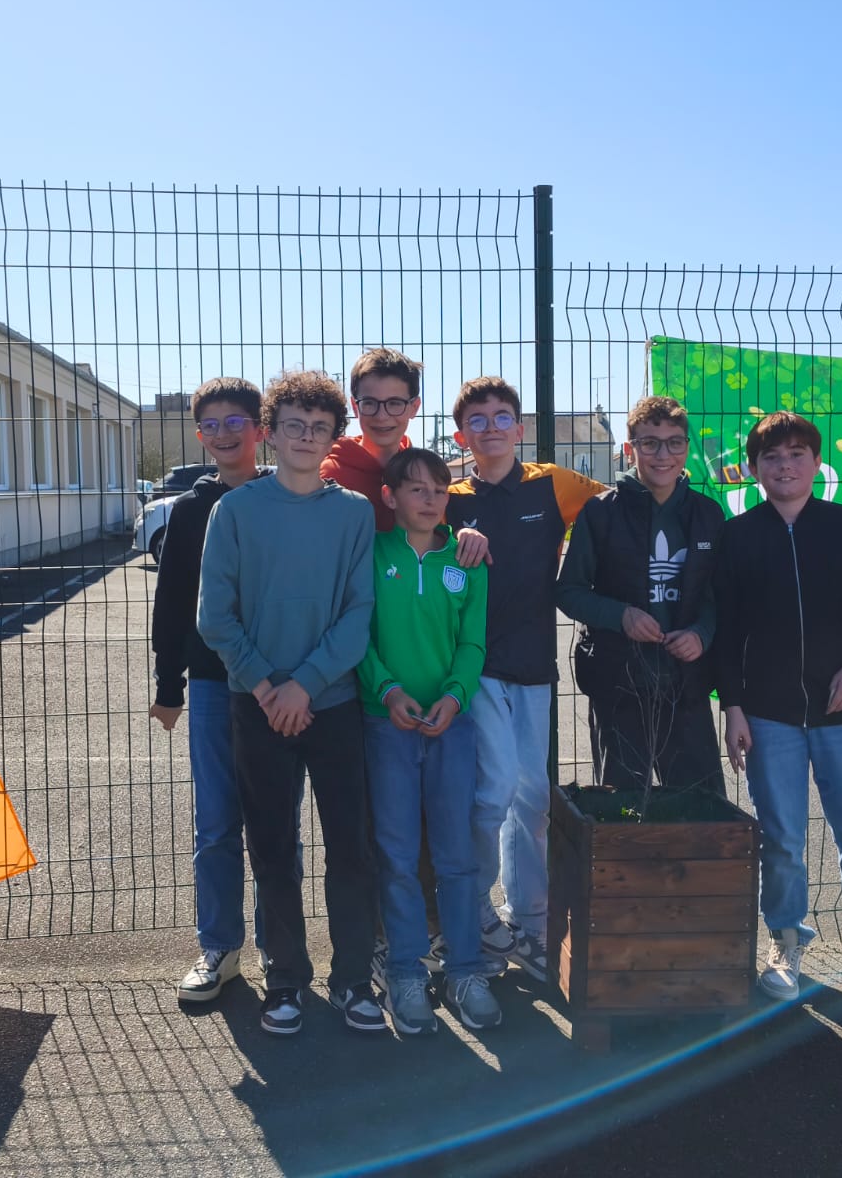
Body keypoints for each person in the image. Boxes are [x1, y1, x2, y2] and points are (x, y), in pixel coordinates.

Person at [714, 411, 842, 1007]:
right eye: (772, 457)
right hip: (768, 715)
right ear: (754, 468)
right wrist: (732, 706)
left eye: (796, 454)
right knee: (782, 840)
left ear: (816, 462)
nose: (785, 466)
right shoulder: (738, 536)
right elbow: (724, 629)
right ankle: (786, 944)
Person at [197, 369, 384, 1036]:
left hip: (332, 705)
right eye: (294, 426)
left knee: (350, 847)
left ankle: (353, 979)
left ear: (335, 438)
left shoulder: (354, 513)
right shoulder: (234, 512)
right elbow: (215, 616)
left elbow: (359, 614)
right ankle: (285, 981)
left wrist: (305, 684)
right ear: (271, 433)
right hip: (256, 704)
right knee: (273, 848)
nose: (306, 436)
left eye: (320, 427)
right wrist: (267, 685)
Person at [446, 377, 605, 980]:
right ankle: (474, 916)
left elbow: (620, 503)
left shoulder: (553, 483)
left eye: (501, 417)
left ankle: (529, 925)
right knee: (492, 793)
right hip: (475, 666)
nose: (490, 428)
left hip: (535, 665)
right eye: (477, 420)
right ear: (461, 435)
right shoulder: (451, 497)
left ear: (519, 428)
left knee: (533, 798)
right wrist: (453, 534)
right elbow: (412, 532)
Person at [148, 377, 289, 1003]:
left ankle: (279, 947)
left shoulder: (288, 497)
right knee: (215, 825)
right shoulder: (189, 510)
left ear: (260, 429)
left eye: (237, 422)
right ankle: (220, 949)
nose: (225, 434)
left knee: (276, 824)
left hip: (279, 686)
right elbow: (173, 602)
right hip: (211, 684)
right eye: (211, 424)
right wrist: (168, 684)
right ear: (199, 434)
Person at [359, 447, 501, 1035]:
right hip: (385, 724)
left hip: (450, 726)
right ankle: (405, 972)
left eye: (439, 490)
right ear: (389, 497)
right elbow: (358, 635)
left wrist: (455, 696)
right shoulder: (369, 554)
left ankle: (465, 970)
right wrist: (388, 690)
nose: (429, 499)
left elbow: (472, 642)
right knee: (396, 855)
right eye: (416, 489)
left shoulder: (467, 560)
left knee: (455, 855)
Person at [556, 396, 726, 799]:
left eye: (674, 442)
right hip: (619, 683)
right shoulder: (601, 512)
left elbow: (719, 596)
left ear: (687, 447)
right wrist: (621, 616)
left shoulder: (708, 514)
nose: (663, 455)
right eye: (649, 443)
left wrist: (701, 633)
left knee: (700, 807)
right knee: (625, 809)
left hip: (686, 684)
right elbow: (568, 591)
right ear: (630, 449)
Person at [321, 347, 422, 531]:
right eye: (369, 403)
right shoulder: (328, 475)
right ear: (355, 407)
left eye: (394, 403)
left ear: (414, 407)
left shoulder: (423, 475)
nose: (381, 416)